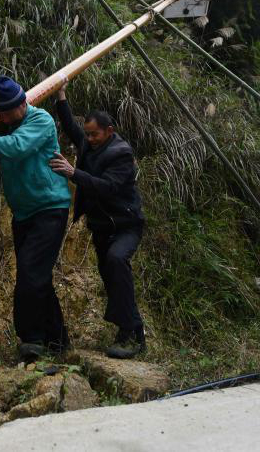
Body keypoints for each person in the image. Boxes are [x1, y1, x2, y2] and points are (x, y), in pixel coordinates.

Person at [0, 75, 72, 362]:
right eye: (1, 112)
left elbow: (17, 148)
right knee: (37, 277)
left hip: (50, 208)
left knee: (31, 274)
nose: (4, 116)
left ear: (22, 103)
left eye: (8, 111)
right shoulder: (5, 126)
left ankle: (32, 341)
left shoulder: (39, 120)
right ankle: (58, 342)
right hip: (24, 213)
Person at [49, 81, 147, 359]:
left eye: (95, 135)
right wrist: (62, 95)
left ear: (109, 132)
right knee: (110, 277)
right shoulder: (90, 144)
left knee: (117, 261)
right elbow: (70, 126)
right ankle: (126, 330)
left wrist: (72, 173)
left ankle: (135, 334)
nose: (89, 139)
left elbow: (107, 187)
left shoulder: (121, 154)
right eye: (88, 134)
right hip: (103, 227)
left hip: (126, 225)